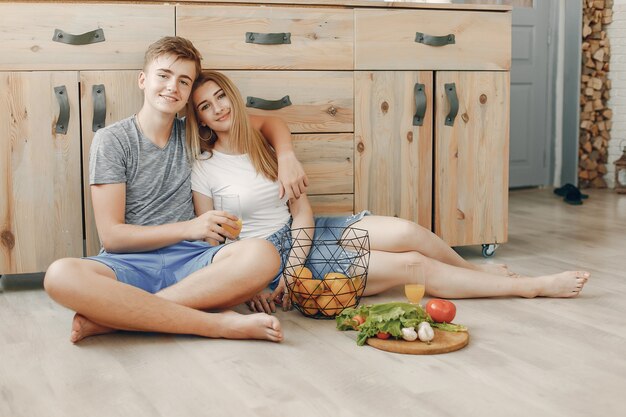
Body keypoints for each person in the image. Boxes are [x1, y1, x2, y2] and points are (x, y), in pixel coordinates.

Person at [187, 70, 590, 314]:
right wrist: (262, 280)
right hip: (266, 256)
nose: (218, 108)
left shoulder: (265, 142)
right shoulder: (203, 168)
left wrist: (288, 156)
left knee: (407, 233)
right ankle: (529, 286)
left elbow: (303, 212)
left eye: (221, 96)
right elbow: (213, 243)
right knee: (414, 267)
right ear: (200, 120)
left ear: (233, 96)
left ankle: (475, 273)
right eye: (205, 106)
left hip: (307, 231)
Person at [43, 36, 309, 343]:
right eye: (164, 76)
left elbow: (269, 124)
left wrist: (286, 155)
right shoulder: (112, 140)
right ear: (143, 80)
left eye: (184, 81)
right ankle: (213, 324)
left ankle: (119, 319)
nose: (173, 87)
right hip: (130, 262)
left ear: (188, 95)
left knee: (263, 254)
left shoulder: (197, 132)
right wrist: (191, 227)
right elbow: (113, 238)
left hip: (194, 261)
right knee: (59, 275)